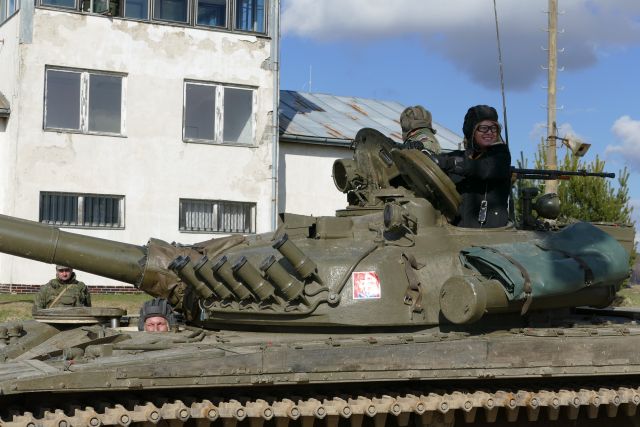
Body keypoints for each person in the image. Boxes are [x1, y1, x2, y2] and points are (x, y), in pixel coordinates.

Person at [435, 105, 512, 228]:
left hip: (491, 234)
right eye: (483, 128)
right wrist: (423, 153)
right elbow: (436, 161)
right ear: (472, 131)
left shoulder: (501, 156)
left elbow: (483, 168)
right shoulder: (459, 156)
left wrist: (453, 164)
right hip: (457, 231)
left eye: (494, 128)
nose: (489, 132)